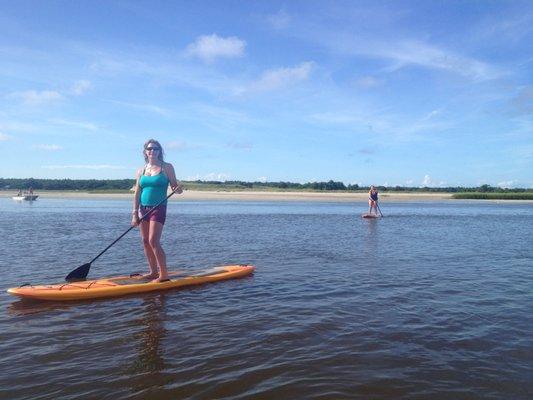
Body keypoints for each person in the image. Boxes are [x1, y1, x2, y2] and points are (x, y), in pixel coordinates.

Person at [131, 139, 183, 282]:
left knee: (154, 241)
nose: (152, 151)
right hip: (142, 208)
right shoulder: (141, 170)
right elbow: (137, 192)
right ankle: (153, 272)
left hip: (158, 208)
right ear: (145, 152)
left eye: (155, 149)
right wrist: (134, 213)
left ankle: (164, 274)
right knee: (145, 241)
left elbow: (175, 188)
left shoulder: (167, 167)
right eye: (149, 149)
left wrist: (178, 189)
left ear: (160, 151)